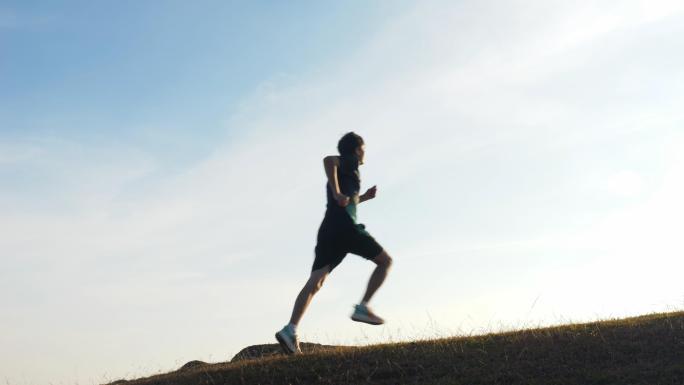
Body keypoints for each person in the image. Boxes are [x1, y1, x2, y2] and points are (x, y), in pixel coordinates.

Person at [275, 132, 393, 355]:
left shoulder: (349, 173)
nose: (365, 152)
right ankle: (362, 307)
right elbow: (328, 160)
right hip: (344, 226)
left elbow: (347, 201)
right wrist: (338, 191)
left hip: (329, 228)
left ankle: (290, 330)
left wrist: (364, 197)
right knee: (385, 262)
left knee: (316, 281)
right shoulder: (350, 161)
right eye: (364, 148)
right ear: (357, 149)